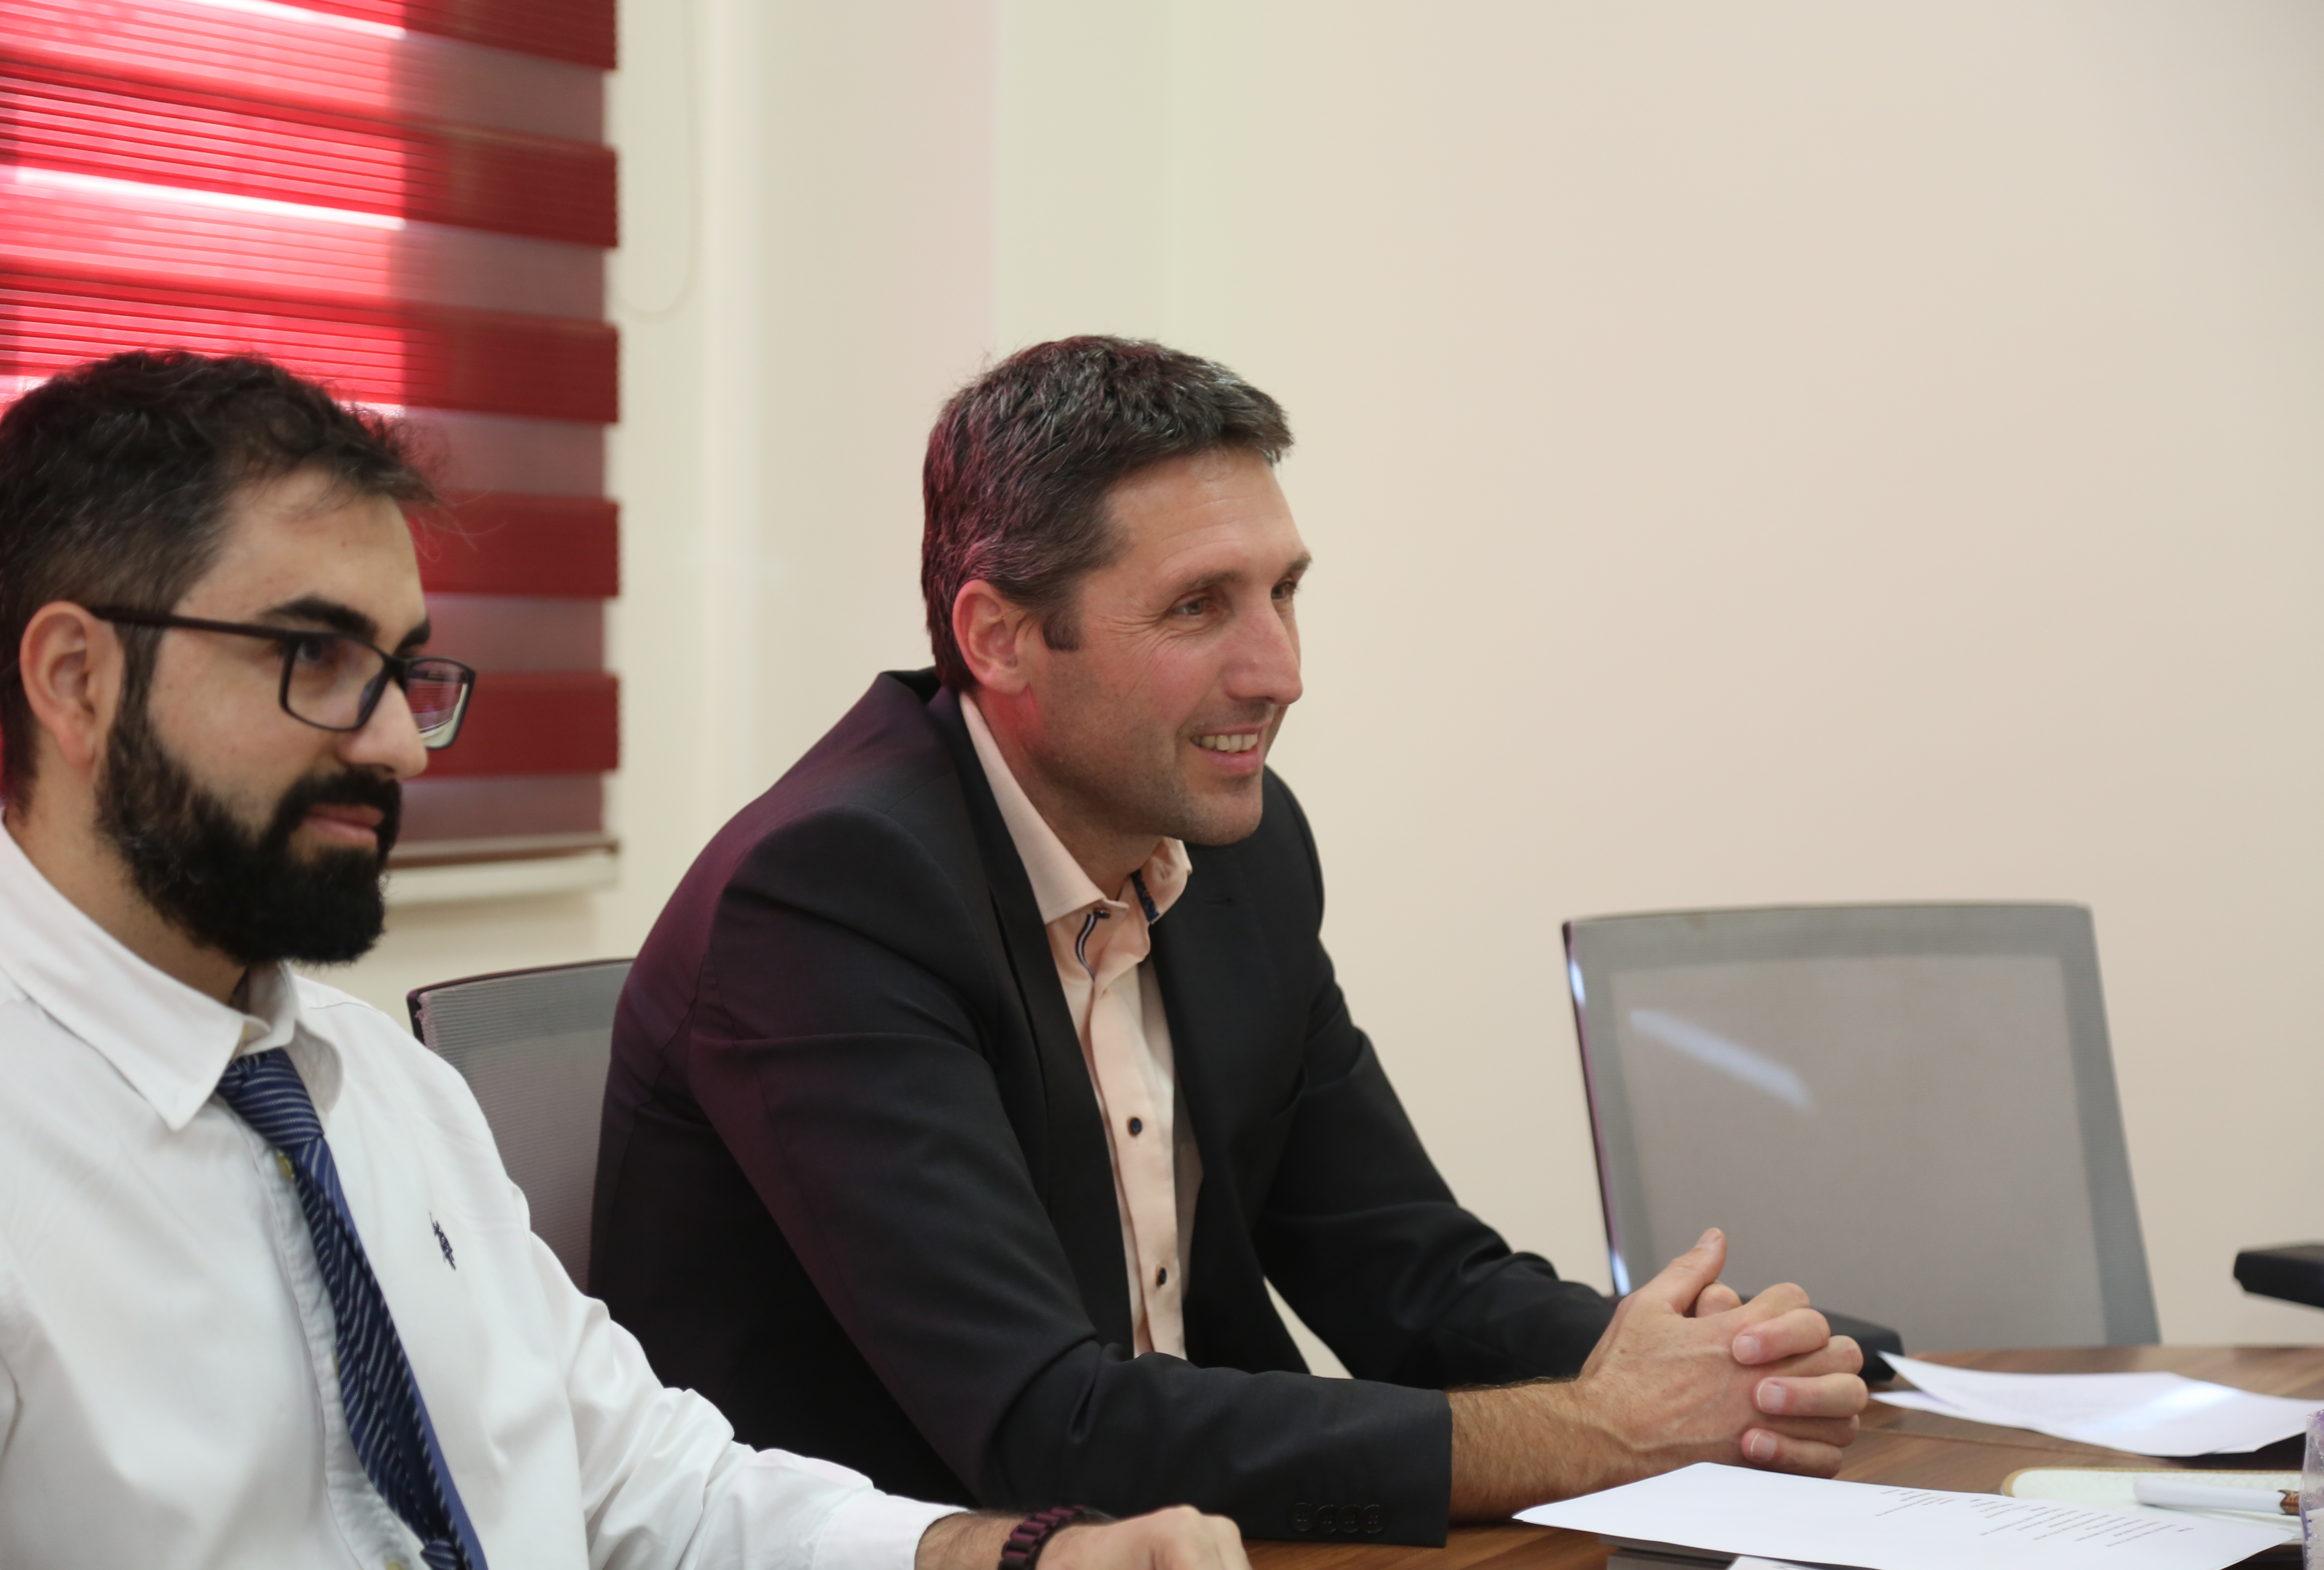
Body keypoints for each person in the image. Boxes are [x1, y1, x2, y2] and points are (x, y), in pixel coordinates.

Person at [0, 349, 1249, 1570]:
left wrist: (1030, 1552)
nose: (401, 747)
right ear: (76, 680)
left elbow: (651, 1488)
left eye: (403, 672)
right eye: (316, 657)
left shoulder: (376, 1086)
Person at [594, 336, 1870, 1547]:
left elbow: (1408, 1275)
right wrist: (1604, 1431)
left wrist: (1723, 1369)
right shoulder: (831, 897)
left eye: (1284, 592)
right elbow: (1049, 1427)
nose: (1279, 671)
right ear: (1000, 639)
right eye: (1200, 606)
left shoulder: (1233, 850)